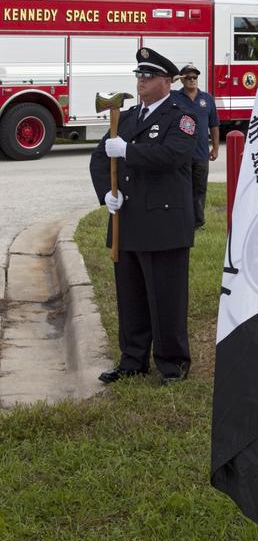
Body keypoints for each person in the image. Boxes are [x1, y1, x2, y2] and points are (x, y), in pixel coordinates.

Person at [90, 46, 197, 384]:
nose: (141, 81)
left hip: (164, 224)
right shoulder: (127, 117)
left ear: (168, 81)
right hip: (129, 221)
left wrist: (129, 151)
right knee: (131, 297)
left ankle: (173, 364)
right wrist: (106, 194)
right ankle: (133, 359)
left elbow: (174, 155)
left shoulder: (183, 115)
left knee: (166, 298)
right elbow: (99, 159)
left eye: (149, 76)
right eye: (139, 75)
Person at [173, 62, 220, 229]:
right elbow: (159, 93)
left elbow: (213, 125)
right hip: (181, 153)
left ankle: (198, 223)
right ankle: (182, 221)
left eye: (195, 77)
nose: (192, 80)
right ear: (182, 80)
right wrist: (174, 78)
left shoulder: (206, 99)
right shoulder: (174, 97)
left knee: (199, 189)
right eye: (188, 77)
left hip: (201, 154)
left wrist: (215, 147)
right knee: (181, 189)